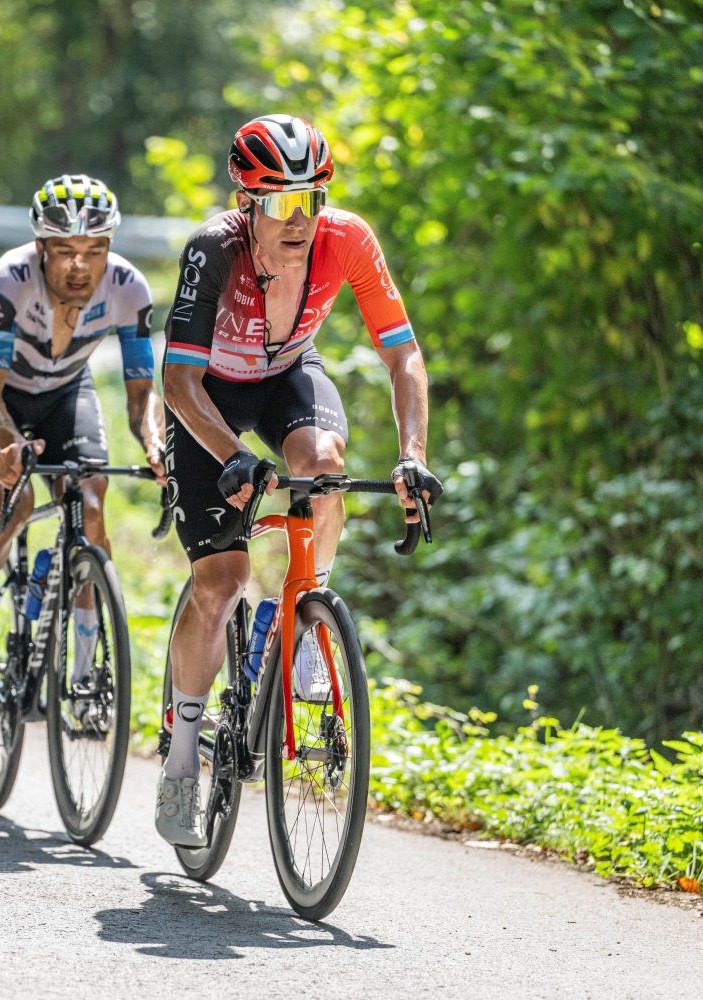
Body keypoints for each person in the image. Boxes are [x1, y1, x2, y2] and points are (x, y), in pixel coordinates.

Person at [155, 114, 442, 846]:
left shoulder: (346, 238)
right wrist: (230, 456)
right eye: (280, 204)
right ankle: (183, 759)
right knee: (221, 582)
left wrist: (413, 453)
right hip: (209, 396)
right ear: (247, 203)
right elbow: (178, 380)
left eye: (311, 201)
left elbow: (403, 356)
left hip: (286, 376)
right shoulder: (211, 250)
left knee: (327, 467)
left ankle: (308, 620)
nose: (299, 221)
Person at [0, 174, 164, 713]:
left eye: (94, 250)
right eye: (64, 250)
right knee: (14, 503)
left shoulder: (129, 288)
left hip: (67, 389)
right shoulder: (10, 280)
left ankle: (85, 675)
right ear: (41, 246)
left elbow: (142, 395)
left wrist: (157, 445)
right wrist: (12, 445)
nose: (78, 266)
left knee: (90, 510)